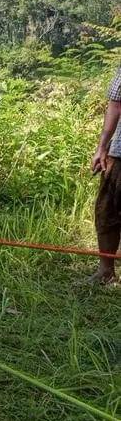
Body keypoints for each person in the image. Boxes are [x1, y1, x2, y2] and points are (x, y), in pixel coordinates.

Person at [90, 67, 121, 284]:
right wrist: (102, 148)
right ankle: (106, 272)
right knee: (107, 209)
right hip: (119, 153)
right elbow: (115, 105)